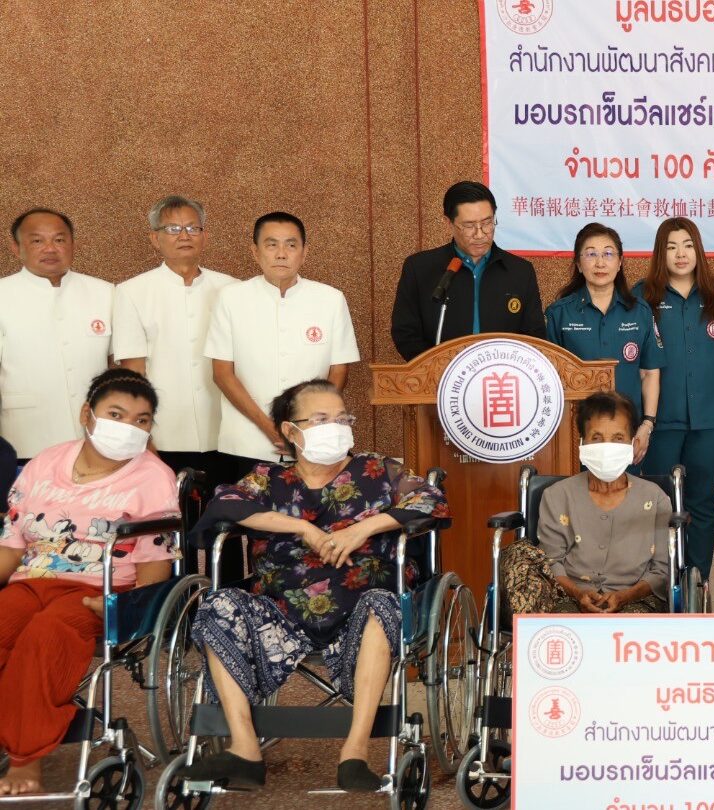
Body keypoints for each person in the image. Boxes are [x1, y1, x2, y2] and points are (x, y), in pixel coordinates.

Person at [181, 379, 447, 792]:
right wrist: (302, 528)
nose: (335, 428)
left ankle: (355, 753)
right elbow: (224, 505)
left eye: (342, 419)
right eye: (321, 420)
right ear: (291, 431)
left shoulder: (377, 471)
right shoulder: (268, 478)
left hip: (362, 607)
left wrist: (363, 529)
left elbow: (430, 499)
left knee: (383, 604)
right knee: (218, 605)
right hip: (281, 610)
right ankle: (245, 748)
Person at [0, 369, 179, 796]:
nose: (129, 426)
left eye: (141, 420)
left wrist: (129, 609)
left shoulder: (154, 476)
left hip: (100, 591)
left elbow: (155, 561)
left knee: (46, 635)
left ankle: (27, 758)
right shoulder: (46, 462)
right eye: (116, 414)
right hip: (31, 581)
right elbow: (11, 542)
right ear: (87, 414)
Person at [205, 212, 360, 481]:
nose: (281, 254)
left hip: (314, 438)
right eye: (271, 244)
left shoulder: (330, 299)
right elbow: (222, 373)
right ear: (255, 252)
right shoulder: (230, 298)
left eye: (291, 245)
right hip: (246, 440)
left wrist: (309, 425)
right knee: (249, 507)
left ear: (304, 252)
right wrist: (270, 428)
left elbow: (339, 370)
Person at [631, 218, 714, 580]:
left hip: (710, 419)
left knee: (703, 500)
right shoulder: (642, 295)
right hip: (660, 421)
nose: (680, 254)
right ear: (659, 253)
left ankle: (698, 581)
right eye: (671, 247)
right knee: (657, 501)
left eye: (687, 245)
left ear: (698, 249)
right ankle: (661, 582)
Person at [499, 391, 672, 614]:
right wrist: (578, 593)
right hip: (568, 597)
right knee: (558, 627)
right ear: (582, 443)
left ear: (632, 443)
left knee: (633, 629)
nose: (607, 447)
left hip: (638, 599)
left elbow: (661, 570)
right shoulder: (557, 496)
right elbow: (551, 562)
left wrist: (625, 596)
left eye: (618, 438)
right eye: (597, 438)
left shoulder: (655, 498)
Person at [113, 195, 237, 489]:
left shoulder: (232, 288)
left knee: (226, 511)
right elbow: (133, 373)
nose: (184, 236)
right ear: (154, 238)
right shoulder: (132, 292)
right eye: (173, 229)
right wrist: (141, 434)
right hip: (164, 430)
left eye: (193, 228)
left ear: (205, 236)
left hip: (227, 430)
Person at [0, 208, 114, 460]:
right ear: (16, 248)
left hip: (95, 439)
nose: (50, 249)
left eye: (59, 239)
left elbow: (120, 363)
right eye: (37, 241)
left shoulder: (106, 293)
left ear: (73, 244)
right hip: (24, 437)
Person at [545, 223, 663, 463]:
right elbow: (549, 378)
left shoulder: (640, 312)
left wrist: (647, 425)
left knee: (626, 486)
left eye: (608, 253)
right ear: (579, 264)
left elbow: (650, 373)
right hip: (576, 434)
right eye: (591, 254)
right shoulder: (559, 314)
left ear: (620, 262)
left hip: (627, 433)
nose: (600, 263)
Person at [390, 181, 545, 360]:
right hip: (440, 374)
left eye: (487, 223)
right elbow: (406, 333)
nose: (480, 234)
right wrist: (437, 368)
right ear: (448, 223)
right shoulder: (420, 268)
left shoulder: (520, 271)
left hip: (501, 374)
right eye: (469, 226)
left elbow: (534, 335)